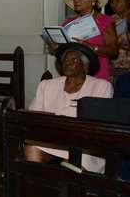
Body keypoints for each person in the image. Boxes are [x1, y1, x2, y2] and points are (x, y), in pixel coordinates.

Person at [24, 43, 113, 173]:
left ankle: (67, 191)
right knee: (31, 148)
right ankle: (39, 188)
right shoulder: (47, 85)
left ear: (85, 65)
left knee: (72, 164)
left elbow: (101, 124)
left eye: (74, 60)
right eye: (65, 60)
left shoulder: (101, 86)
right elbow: (34, 116)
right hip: (53, 138)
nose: (67, 63)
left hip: (86, 145)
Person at [49, 0, 119, 80]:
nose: (77, 0)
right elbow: (65, 53)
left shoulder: (104, 21)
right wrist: (56, 46)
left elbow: (114, 51)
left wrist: (89, 46)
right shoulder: (68, 23)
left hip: (96, 74)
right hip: (73, 76)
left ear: (93, 0)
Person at [109, 0, 130, 75]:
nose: (114, 5)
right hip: (113, 67)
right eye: (112, 2)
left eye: (118, 1)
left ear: (128, 2)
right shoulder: (109, 20)